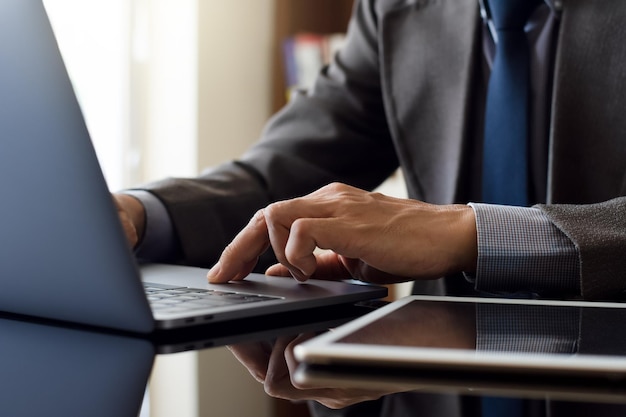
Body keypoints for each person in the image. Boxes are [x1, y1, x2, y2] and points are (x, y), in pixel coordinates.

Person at [115, 0, 626, 415]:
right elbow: (291, 170)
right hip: (433, 397)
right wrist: (141, 213)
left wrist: (467, 235)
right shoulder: (391, 8)